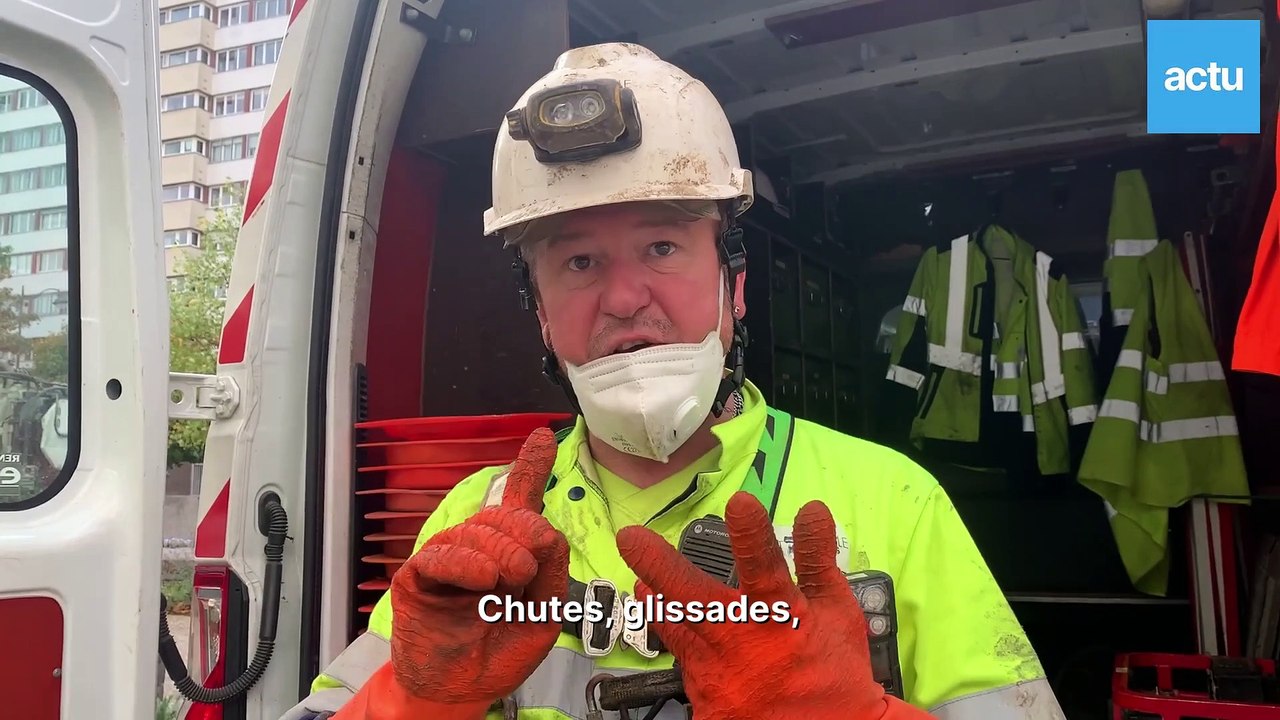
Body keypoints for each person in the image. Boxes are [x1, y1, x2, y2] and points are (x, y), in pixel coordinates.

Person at [281, 42, 1066, 720]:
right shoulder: (477, 518)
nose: (623, 298)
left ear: (736, 285)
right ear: (542, 316)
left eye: (662, 246)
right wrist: (414, 700)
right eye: (578, 261)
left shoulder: (892, 500)